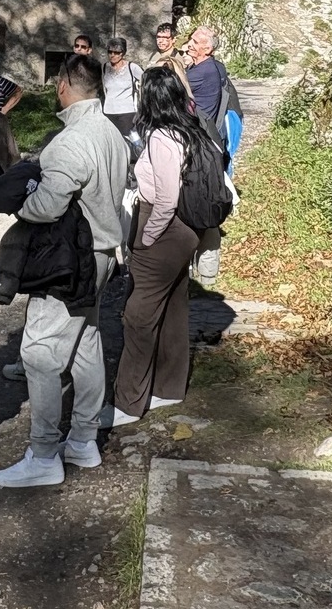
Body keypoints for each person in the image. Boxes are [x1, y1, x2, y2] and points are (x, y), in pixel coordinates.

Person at [0, 54, 128, 488]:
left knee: (39, 351)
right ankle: (84, 440)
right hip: (104, 252)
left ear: (63, 87)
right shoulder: (110, 131)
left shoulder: (70, 141)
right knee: (86, 342)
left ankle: (44, 453)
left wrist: (19, 206)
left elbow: (48, 205)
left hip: (73, 258)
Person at [110, 70, 216, 426]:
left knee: (138, 315)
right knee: (172, 308)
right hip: (188, 229)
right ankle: (167, 389)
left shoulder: (160, 138)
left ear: (149, 100)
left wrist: (146, 237)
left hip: (164, 227)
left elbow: (166, 199)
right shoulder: (191, 130)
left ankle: (127, 403)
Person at [186, 28, 238, 289]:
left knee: (192, 208)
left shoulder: (200, 72)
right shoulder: (218, 68)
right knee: (207, 207)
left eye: (195, 42)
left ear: (207, 49)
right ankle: (207, 274)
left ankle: (196, 274)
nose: (189, 44)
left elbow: (174, 87)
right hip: (213, 144)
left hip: (197, 146)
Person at [100, 38, 143, 139]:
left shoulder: (132, 67)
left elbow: (146, 81)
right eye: (110, 52)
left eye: (116, 52)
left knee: (128, 141)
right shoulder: (104, 67)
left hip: (127, 112)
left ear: (122, 53)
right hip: (108, 111)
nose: (112, 55)